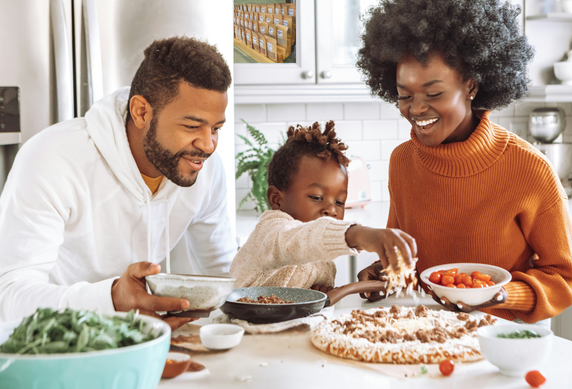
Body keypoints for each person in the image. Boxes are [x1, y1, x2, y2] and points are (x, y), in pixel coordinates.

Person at [356, 0, 572, 324]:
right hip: (423, 334)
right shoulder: (403, 162)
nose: (417, 109)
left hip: (502, 342)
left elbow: (565, 279)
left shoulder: (530, 170)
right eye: (405, 95)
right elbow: (406, 259)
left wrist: (498, 295)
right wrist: (385, 272)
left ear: (472, 86)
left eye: (433, 94)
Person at [0, 37, 235, 329]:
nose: (208, 145)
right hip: (52, 350)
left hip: (142, 345)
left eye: (216, 128)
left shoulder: (203, 170)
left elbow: (224, 276)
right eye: (191, 126)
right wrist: (111, 298)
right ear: (141, 112)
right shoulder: (52, 158)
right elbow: (9, 298)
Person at [230, 121, 416, 293]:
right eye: (317, 197)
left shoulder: (324, 259)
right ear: (276, 199)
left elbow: (302, 295)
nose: (332, 210)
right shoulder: (271, 230)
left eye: (339, 202)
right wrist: (358, 234)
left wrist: (318, 293)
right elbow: (297, 241)